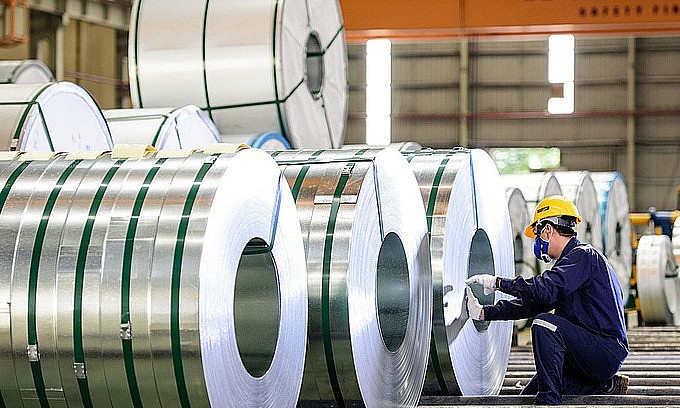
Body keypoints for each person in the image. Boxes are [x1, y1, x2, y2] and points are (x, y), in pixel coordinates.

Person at [465, 195, 629, 405]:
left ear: (548, 230)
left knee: (544, 324)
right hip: (586, 353)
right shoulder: (569, 266)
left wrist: (498, 283)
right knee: (527, 396)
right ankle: (605, 385)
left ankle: (549, 403)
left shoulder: (583, 256)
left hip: (604, 351)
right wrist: (484, 312)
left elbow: (544, 290)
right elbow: (532, 304)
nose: (537, 242)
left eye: (537, 235)